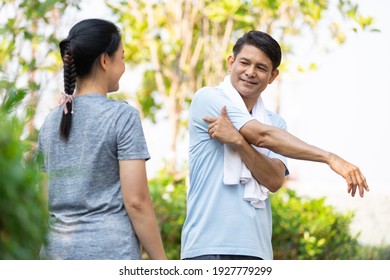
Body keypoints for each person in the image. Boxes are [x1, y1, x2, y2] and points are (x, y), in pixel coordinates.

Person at [180, 30, 369, 260]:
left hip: (256, 250)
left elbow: (274, 180)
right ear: (231, 63)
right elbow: (261, 136)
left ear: (272, 76)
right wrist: (330, 157)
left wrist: (239, 141)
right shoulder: (209, 99)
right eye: (244, 63)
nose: (250, 72)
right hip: (206, 248)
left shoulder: (275, 123)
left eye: (261, 68)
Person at [37, 19, 166, 260]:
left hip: (55, 255)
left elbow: (44, 204)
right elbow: (136, 202)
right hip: (110, 252)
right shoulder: (122, 116)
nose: (125, 66)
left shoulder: (48, 124)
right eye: (122, 57)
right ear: (105, 60)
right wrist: (163, 265)